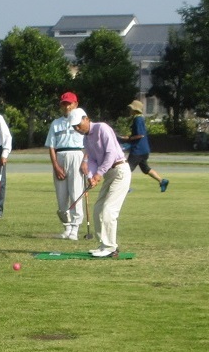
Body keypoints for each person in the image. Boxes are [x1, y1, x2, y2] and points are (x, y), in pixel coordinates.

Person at [71, 108, 131, 258]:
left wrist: (99, 174)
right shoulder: (86, 138)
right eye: (74, 127)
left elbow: (110, 153)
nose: (77, 129)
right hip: (109, 173)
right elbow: (91, 160)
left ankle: (111, 247)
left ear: (86, 119)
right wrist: (91, 176)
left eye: (78, 125)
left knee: (109, 210)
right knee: (98, 208)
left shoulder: (102, 128)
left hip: (120, 170)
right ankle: (104, 244)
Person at [46, 91, 85, 240]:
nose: (66, 106)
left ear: (75, 104)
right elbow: (51, 146)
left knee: (76, 192)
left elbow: (88, 143)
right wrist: (56, 165)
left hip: (76, 155)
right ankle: (67, 227)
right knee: (61, 196)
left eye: (69, 103)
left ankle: (75, 228)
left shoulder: (81, 121)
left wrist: (86, 161)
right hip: (60, 156)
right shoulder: (56, 123)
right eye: (64, 104)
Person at [120, 99, 168, 192]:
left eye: (131, 109)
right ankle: (162, 181)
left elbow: (139, 135)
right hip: (144, 149)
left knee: (127, 168)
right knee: (145, 169)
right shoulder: (140, 118)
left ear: (135, 110)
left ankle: (125, 187)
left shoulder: (137, 119)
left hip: (138, 150)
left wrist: (128, 138)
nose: (130, 110)